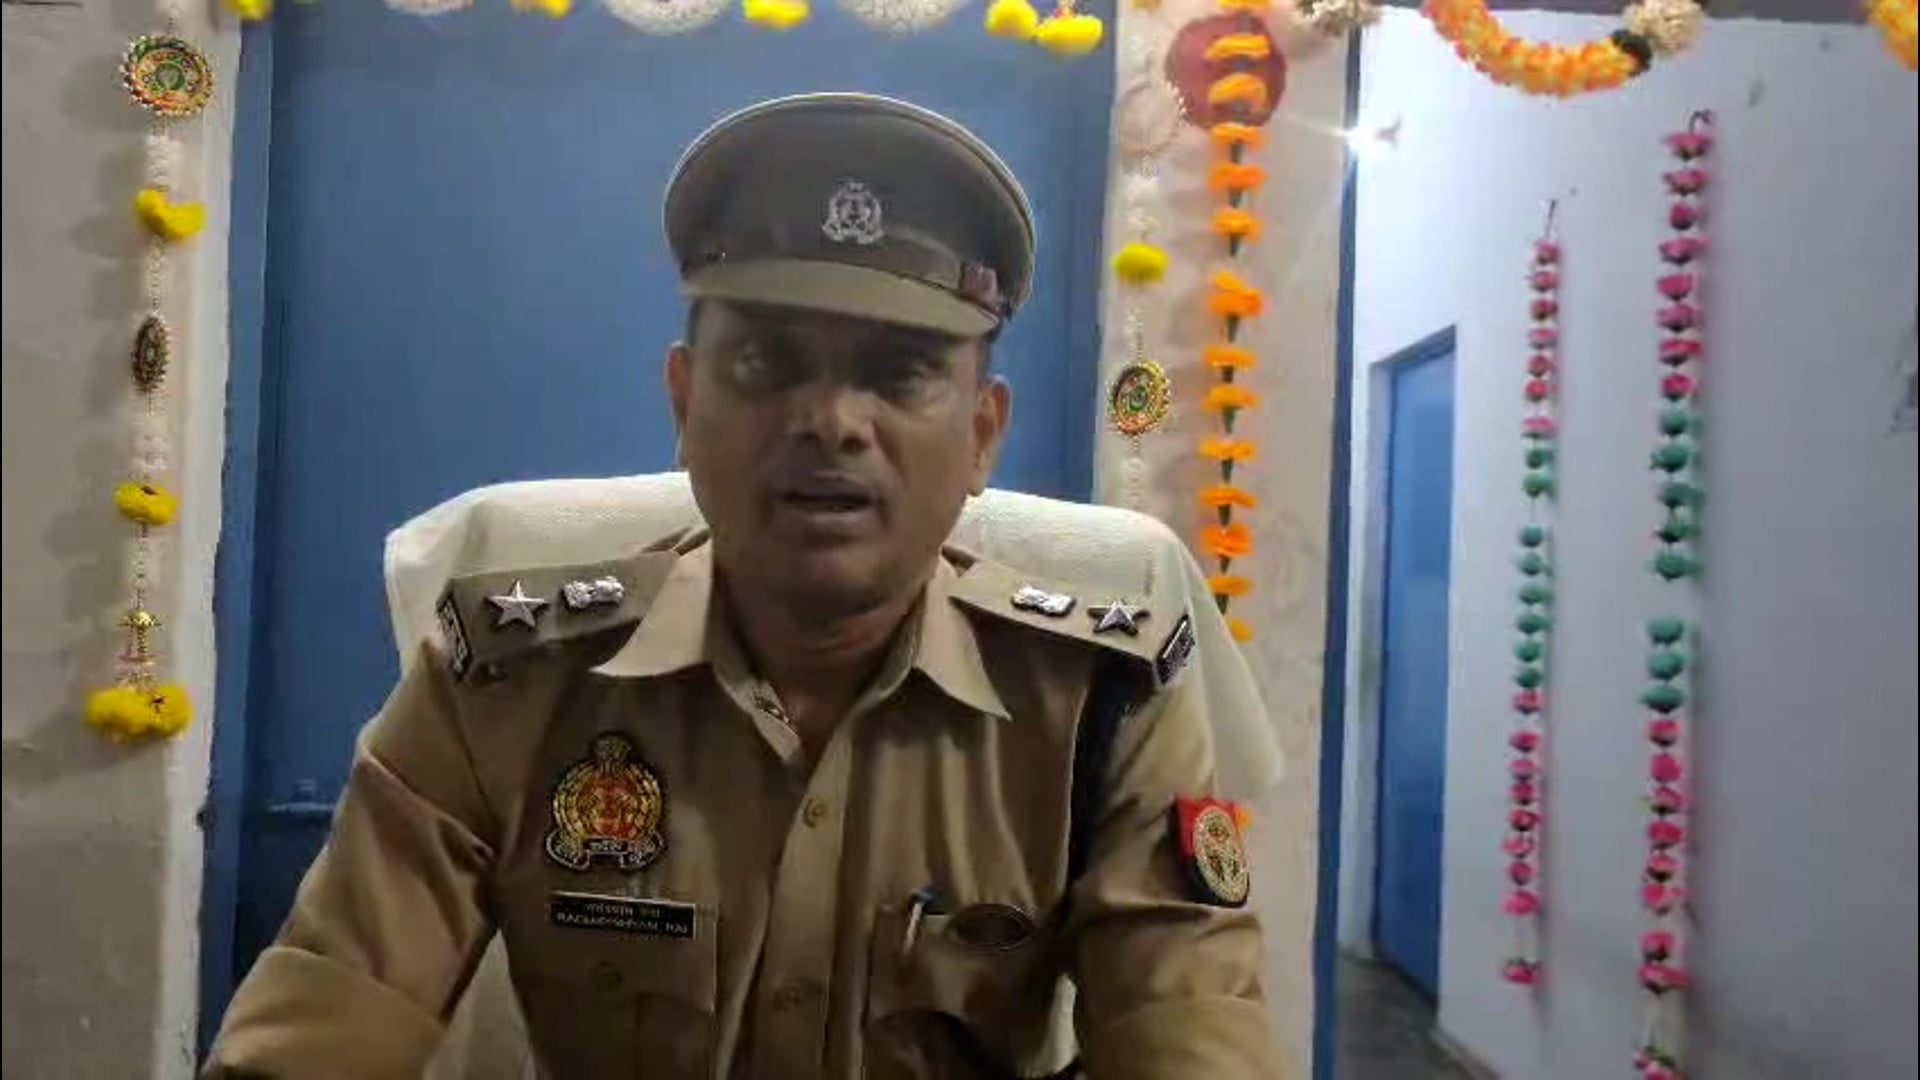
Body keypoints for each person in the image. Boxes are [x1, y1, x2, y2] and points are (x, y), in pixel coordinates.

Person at [206, 92, 1284, 1079]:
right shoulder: (504, 681)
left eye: (901, 372)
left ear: (982, 435)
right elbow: (320, 1025)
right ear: (684, 403)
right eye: (767, 363)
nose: (831, 421)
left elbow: (1193, 1039)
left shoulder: (1103, 703)